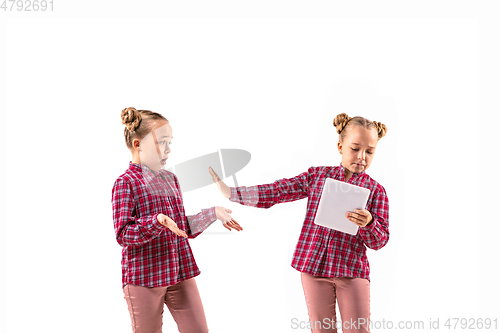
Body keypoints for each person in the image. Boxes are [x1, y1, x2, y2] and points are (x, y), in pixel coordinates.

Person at [209, 113, 389, 333]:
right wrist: (232, 193)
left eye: (369, 152)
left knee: (357, 330)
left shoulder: (377, 191)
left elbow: (380, 241)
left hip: (352, 272)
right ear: (340, 146)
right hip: (313, 268)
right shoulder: (317, 177)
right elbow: (278, 191)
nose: (362, 156)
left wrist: (369, 223)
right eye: (355, 148)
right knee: (321, 330)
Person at [112, 107, 243, 333]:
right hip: (144, 277)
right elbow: (124, 234)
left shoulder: (170, 179)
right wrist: (157, 221)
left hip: (179, 271)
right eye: (162, 142)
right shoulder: (125, 183)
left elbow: (181, 227)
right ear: (137, 145)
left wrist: (212, 213)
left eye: (170, 142)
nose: (168, 149)